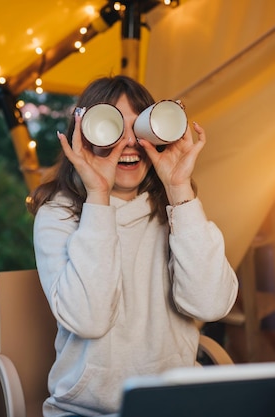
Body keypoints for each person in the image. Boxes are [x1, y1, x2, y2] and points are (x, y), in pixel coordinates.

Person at [27, 75, 238, 417]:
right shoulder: (58, 216)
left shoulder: (175, 212)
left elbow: (211, 305)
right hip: (87, 411)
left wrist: (180, 189)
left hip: (175, 406)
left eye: (140, 128)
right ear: (84, 135)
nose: (129, 143)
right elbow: (89, 320)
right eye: (110, 128)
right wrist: (98, 196)